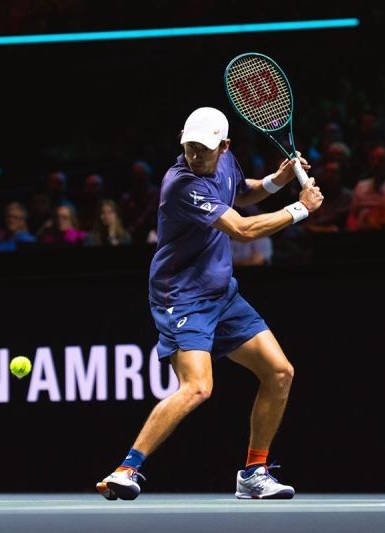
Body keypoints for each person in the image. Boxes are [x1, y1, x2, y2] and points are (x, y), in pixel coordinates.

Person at [95, 107, 323, 501]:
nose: (196, 156)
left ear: (224, 147)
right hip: (181, 298)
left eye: (205, 149)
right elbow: (242, 228)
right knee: (198, 387)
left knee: (280, 373)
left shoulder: (225, 162)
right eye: (190, 147)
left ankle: (254, 473)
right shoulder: (181, 184)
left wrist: (276, 181)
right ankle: (125, 469)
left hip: (222, 294)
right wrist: (300, 208)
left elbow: (241, 190)